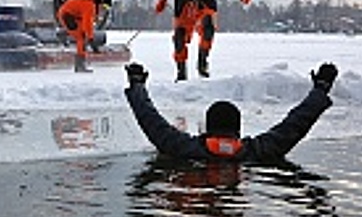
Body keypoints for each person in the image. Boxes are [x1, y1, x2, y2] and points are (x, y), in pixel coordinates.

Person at [124, 62, 338, 163]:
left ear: (208, 127)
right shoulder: (259, 151)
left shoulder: (186, 148)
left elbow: (150, 120)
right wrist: (320, 90)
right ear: (237, 128)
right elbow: (296, 123)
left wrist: (137, 86)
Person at [56, 0, 111, 72]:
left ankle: (65, 33)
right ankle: (79, 65)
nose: (103, 10)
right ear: (101, 3)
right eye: (104, 7)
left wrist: (89, 36)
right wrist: (90, 39)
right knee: (81, 38)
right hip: (67, 16)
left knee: (82, 34)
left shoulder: (91, 5)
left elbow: (87, 23)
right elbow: (87, 24)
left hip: (73, 15)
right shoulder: (90, 6)